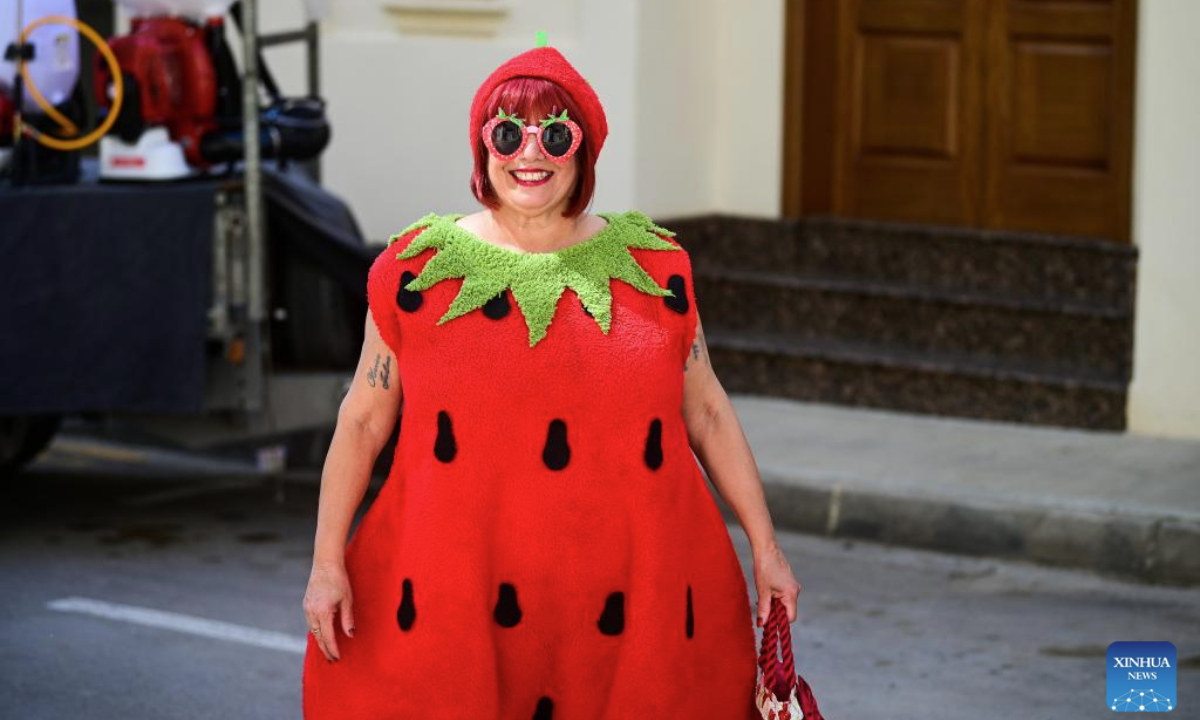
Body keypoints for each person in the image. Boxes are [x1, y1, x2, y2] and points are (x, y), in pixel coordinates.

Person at [301, 35, 802, 719]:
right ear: (483, 147)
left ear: (584, 150)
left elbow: (707, 410)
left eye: (555, 135)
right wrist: (328, 563)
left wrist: (766, 549)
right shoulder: (412, 272)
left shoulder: (657, 268)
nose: (529, 154)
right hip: (458, 596)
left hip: (635, 603)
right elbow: (361, 420)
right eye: (507, 133)